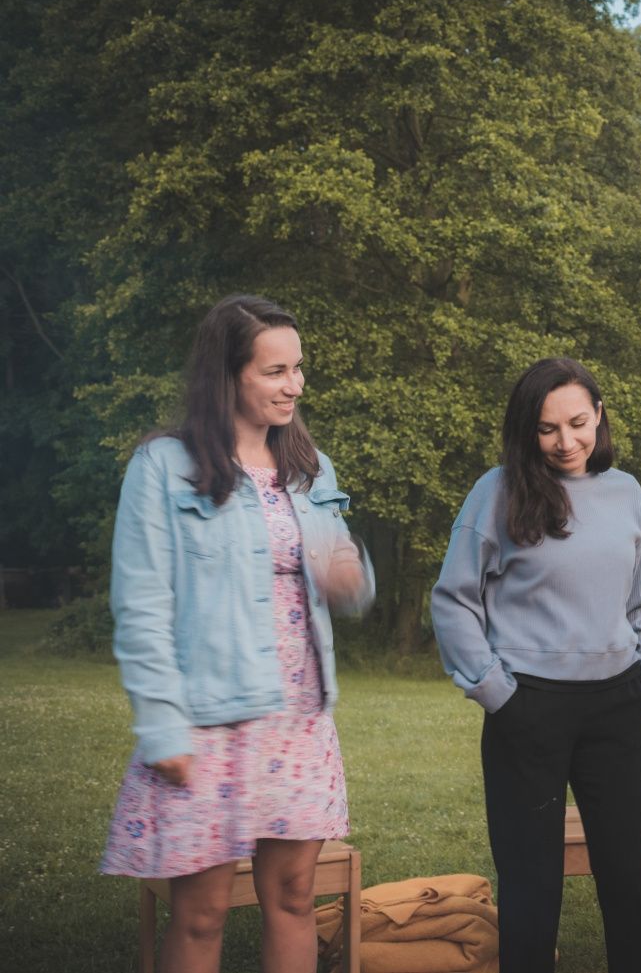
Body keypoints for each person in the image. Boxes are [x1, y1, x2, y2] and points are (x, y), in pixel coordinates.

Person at [102, 293, 375, 973]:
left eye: (298, 368)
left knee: (294, 896)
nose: (295, 385)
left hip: (299, 720)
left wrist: (350, 577)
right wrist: (162, 726)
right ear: (227, 375)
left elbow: (345, 568)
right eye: (275, 371)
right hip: (207, 720)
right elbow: (141, 606)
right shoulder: (163, 467)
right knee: (202, 914)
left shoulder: (311, 468)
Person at [430, 357, 641, 973]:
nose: (566, 441)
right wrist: (495, 692)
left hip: (618, 703)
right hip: (527, 707)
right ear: (526, 430)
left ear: (600, 416)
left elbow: (637, 598)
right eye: (547, 428)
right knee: (531, 883)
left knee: (628, 876)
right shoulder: (496, 491)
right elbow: (454, 600)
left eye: (578, 423)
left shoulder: (626, 492)